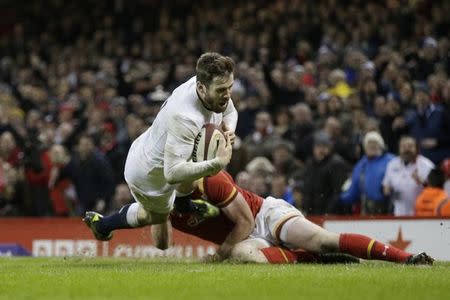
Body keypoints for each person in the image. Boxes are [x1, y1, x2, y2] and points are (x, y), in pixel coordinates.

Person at [83, 52, 236, 243]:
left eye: (230, 87)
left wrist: (229, 130)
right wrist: (217, 164)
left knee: (198, 155)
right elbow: (172, 173)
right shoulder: (186, 117)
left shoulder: (208, 85)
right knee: (159, 233)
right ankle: (103, 224)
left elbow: (231, 110)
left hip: (166, 151)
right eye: (222, 90)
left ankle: (182, 203)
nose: (227, 94)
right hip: (149, 173)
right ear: (201, 88)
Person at [162, 170, 433, 265]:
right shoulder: (161, 202)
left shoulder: (209, 179)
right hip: (249, 239)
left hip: (266, 215)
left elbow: (244, 222)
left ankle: (406, 258)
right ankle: (311, 260)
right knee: (242, 255)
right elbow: (160, 241)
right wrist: (158, 213)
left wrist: (218, 255)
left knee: (323, 240)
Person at [340, 131, 395, 215]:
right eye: (369, 143)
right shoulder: (361, 165)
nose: (372, 145)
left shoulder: (391, 161)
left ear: (381, 145)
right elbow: (354, 188)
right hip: (367, 209)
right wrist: (341, 198)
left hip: (389, 208)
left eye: (375, 143)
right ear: (365, 147)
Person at [383, 136, 434, 216]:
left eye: (410, 146)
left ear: (416, 148)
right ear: (399, 149)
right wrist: (389, 190)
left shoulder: (427, 165)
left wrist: (422, 182)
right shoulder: (392, 164)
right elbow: (386, 187)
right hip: (398, 213)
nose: (407, 149)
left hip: (421, 214)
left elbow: (437, 191)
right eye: (403, 146)